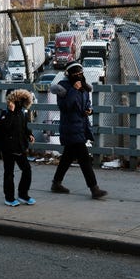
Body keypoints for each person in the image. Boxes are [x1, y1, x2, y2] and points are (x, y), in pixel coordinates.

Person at [49, 62, 108, 199]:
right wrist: (74, 90)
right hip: (70, 127)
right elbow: (65, 107)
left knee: (67, 158)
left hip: (81, 126)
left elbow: (87, 103)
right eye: (75, 74)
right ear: (69, 75)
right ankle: (94, 189)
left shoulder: (84, 87)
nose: (78, 77)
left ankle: (56, 183)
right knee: (84, 159)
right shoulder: (63, 88)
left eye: (80, 74)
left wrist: (89, 110)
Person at [0, 89, 36, 207]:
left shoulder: (21, 113)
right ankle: (9, 197)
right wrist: (11, 112)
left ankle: (23, 194)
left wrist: (29, 135)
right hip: (8, 148)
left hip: (19, 147)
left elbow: (24, 127)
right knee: (9, 173)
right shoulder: (5, 114)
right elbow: (5, 128)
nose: (19, 103)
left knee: (27, 170)